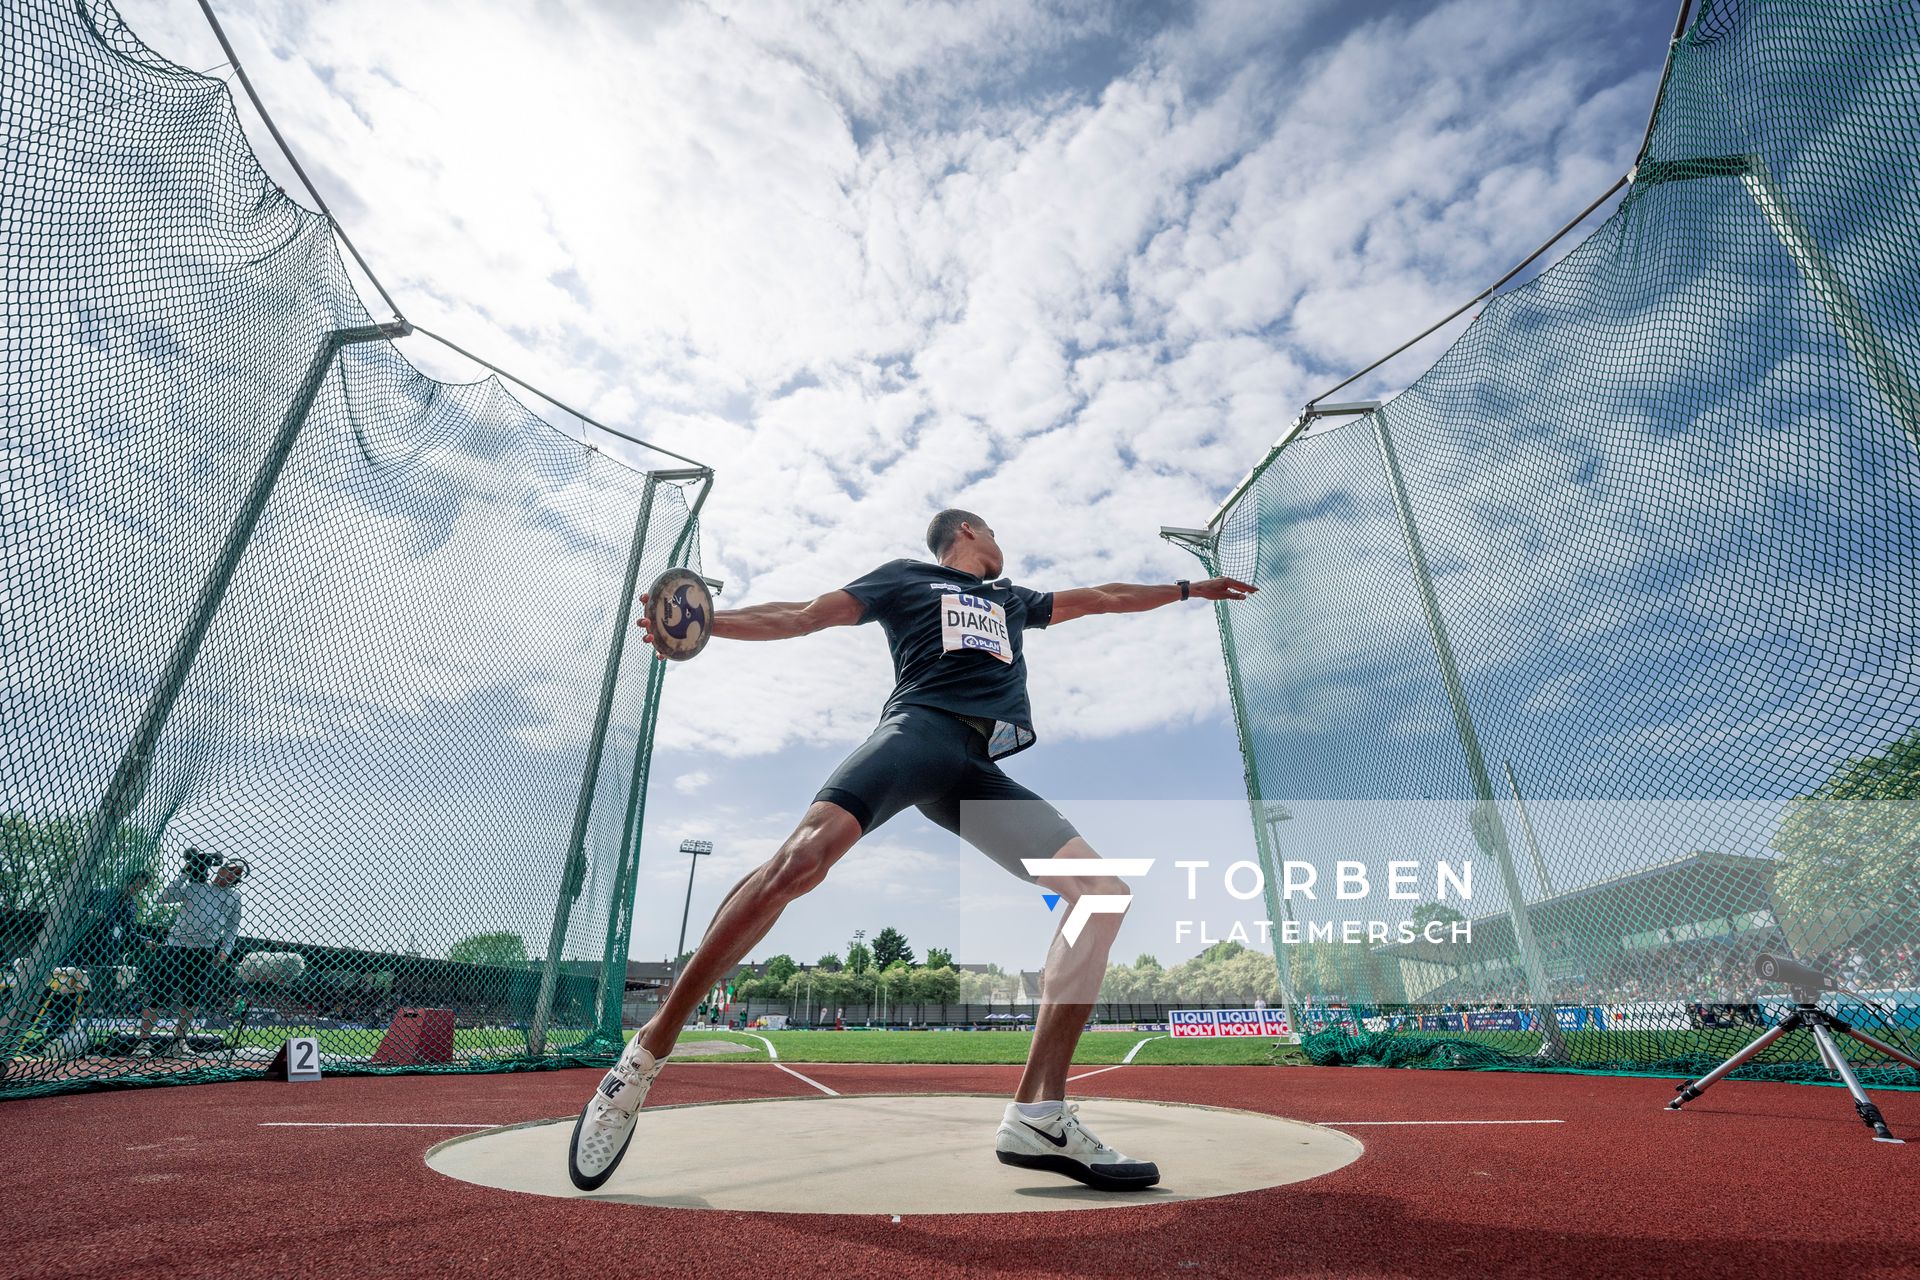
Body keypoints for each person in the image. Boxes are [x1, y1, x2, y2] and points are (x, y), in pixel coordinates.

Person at [568, 509, 1254, 1191]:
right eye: (994, 529)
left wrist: (1187, 591)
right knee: (799, 863)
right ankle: (647, 1052)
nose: (1001, 541)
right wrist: (714, 624)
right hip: (917, 733)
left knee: (1101, 896)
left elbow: (1103, 599)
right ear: (969, 533)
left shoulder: (1014, 601)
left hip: (975, 768)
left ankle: (1039, 1113)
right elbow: (807, 614)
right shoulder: (907, 580)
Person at [133, 850, 247, 1060]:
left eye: (236, 874)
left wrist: (225, 951)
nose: (231, 875)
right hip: (175, 945)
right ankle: (143, 1042)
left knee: (192, 998)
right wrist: (185, 872)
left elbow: (232, 928)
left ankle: (179, 1042)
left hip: (204, 951)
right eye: (230, 870)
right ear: (220, 869)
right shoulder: (196, 886)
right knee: (159, 993)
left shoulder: (234, 897)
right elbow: (163, 898)